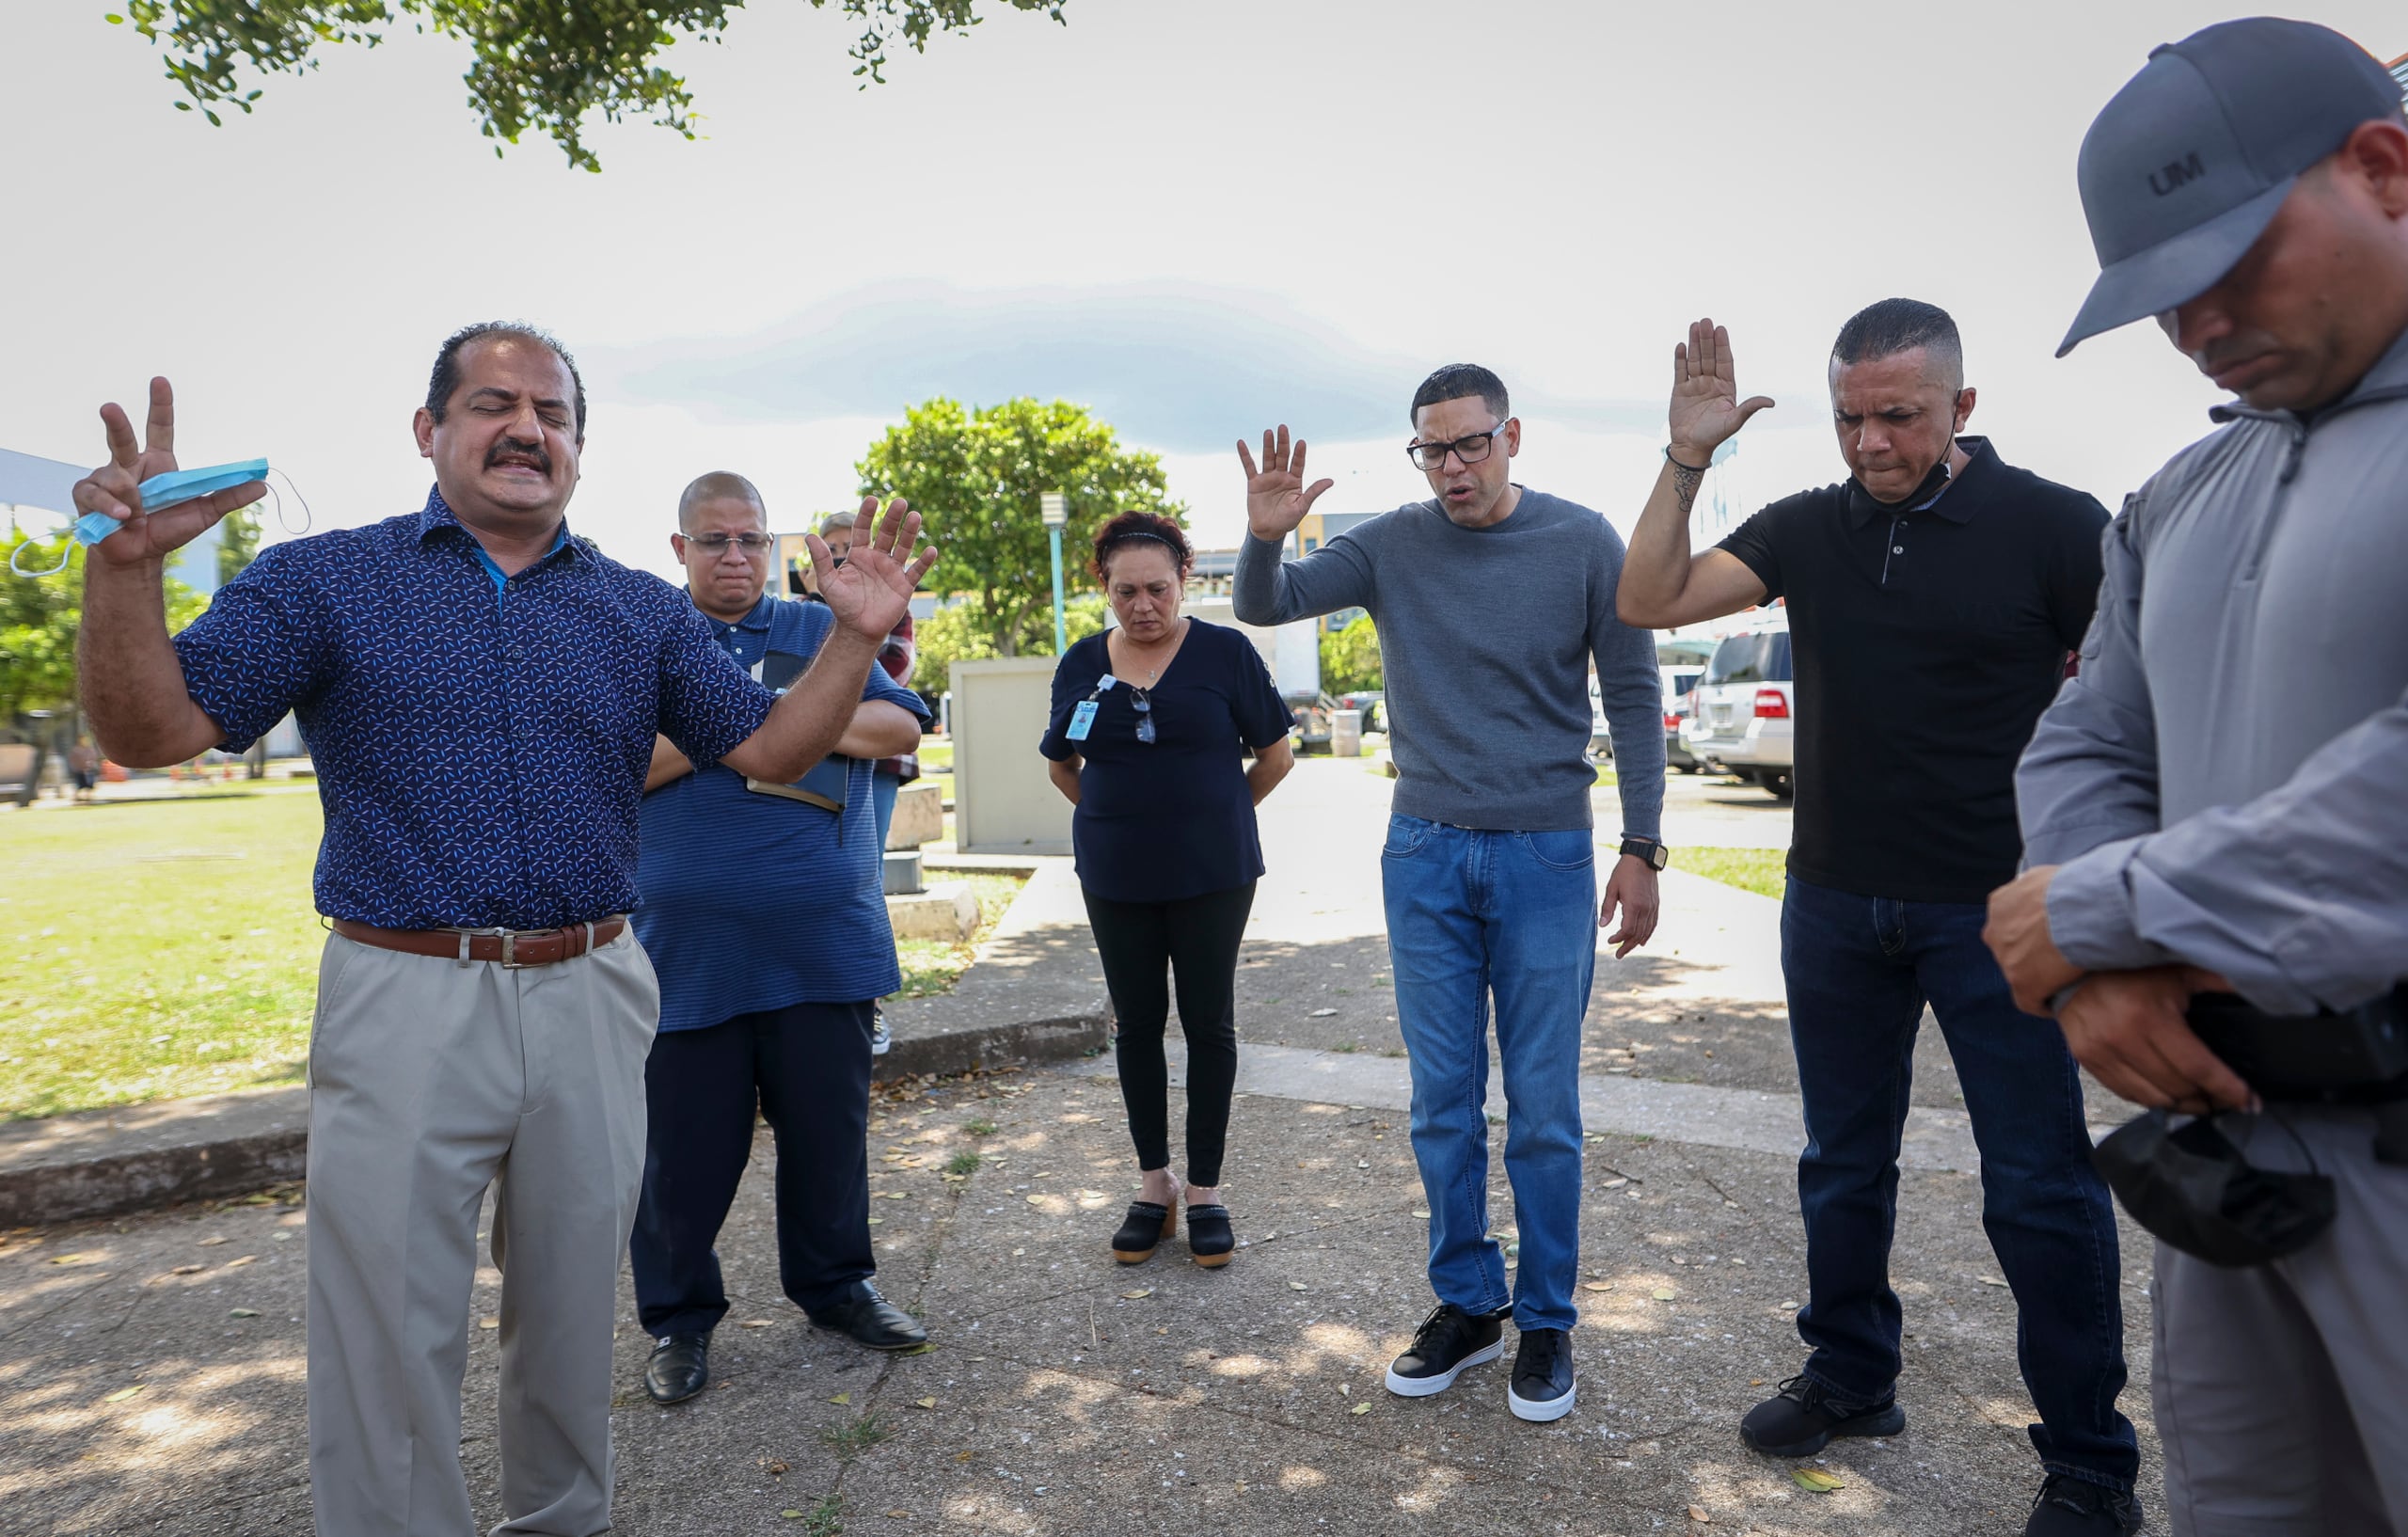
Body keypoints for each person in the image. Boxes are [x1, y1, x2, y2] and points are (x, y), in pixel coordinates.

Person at [71, 324, 935, 1537]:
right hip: (405, 991)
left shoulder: (639, 608)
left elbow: (772, 748)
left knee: (575, 1304)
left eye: (555, 412)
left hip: (594, 987)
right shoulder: (326, 581)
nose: (527, 427)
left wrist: (852, 638)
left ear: (579, 447)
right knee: (387, 1323)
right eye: (492, 402)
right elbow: (152, 730)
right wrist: (123, 572)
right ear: (429, 431)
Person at [1616, 304, 2138, 1534]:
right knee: (1842, 1165)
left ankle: (2090, 1461)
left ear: (1963, 407)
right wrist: (1688, 456)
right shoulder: (1808, 526)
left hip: (1998, 909)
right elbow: (1649, 597)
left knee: (2040, 1187)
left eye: (1898, 414)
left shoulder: (2056, 527)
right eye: (1851, 415)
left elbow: (2141, 699)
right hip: (1836, 900)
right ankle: (1853, 1375)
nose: (1870, 442)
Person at [1987, 19, 2408, 1533]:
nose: (2202, 323)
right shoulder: (2181, 493)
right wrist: (2097, 976)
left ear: (2384, 167)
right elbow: (2089, 741)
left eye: (2233, 257)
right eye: (2161, 297)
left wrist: (2102, 910)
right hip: (2231, 1147)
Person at [1234, 366, 1666, 1424]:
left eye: (1470, 444)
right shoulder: (1390, 541)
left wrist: (1643, 843)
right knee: (1439, 1101)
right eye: (1432, 449)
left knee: (1544, 1109)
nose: (1452, 467)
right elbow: (1265, 602)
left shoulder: (1582, 540)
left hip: (1545, 853)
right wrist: (1265, 534)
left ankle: (1548, 1315)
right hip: (1422, 848)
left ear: (1510, 435)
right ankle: (1468, 1302)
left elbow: (1635, 690)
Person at [628, 472, 932, 1407]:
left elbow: (895, 722)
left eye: (750, 539)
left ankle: (836, 1285)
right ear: (678, 548)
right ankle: (679, 1321)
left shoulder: (820, 628)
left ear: (772, 547)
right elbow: (614, 767)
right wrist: (770, 723)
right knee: (681, 1159)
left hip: (821, 944)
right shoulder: (642, 637)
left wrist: (761, 720)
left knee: (829, 1140)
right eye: (713, 539)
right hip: (683, 953)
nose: (734, 555)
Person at [1039, 511, 1294, 1267]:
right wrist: (1124, 826)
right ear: (1104, 588)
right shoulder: (1081, 663)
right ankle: (1155, 1183)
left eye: (1157, 588)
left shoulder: (1225, 654)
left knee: (1209, 1023)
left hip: (1214, 874)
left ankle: (1207, 1189)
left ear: (1186, 578)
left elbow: (1275, 758)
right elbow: (1062, 765)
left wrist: (1212, 820)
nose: (1142, 606)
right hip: (1116, 877)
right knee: (1137, 1024)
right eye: (1125, 592)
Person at [812, 509, 921, 1058]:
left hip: (872, 767)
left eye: (845, 549)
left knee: (863, 876)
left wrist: (807, 714)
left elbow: (896, 680)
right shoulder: (800, 618)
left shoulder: (890, 606)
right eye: (829, 551)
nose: (839, 560)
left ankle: (867, 1004)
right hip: (822, 762)